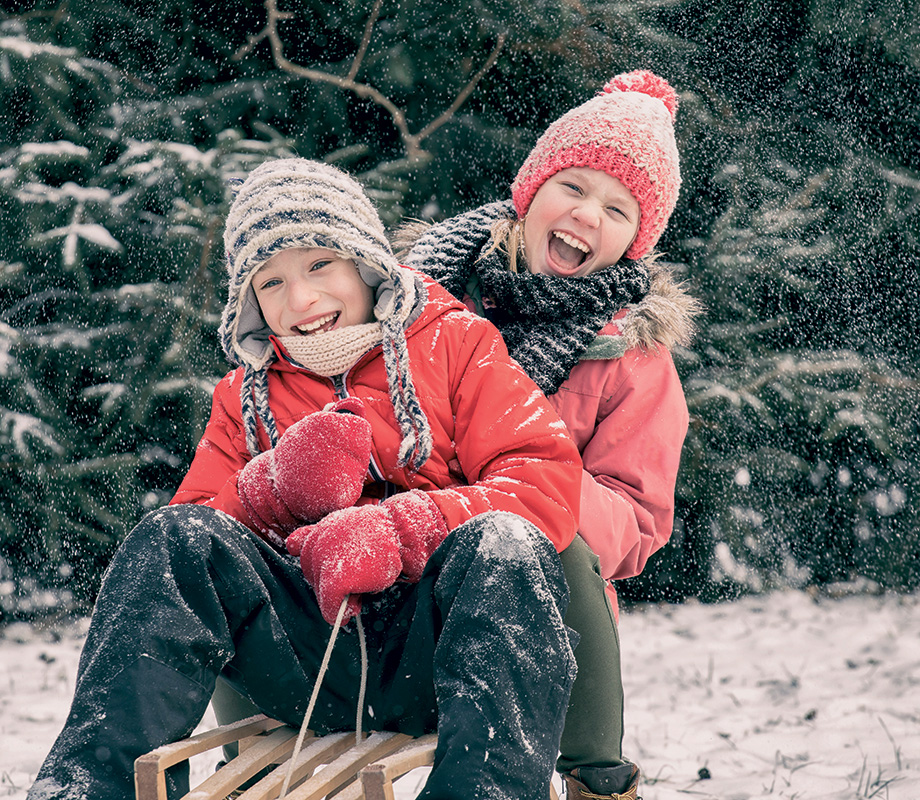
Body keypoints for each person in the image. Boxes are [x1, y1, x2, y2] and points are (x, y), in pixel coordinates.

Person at [27, 158, 585, 800]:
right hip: (304, 656)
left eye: (320, 264)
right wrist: (272, 494)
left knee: (507, 547)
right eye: (270, 283)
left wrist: (406, 526)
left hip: (436, 654)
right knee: (171, 536)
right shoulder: (244, 397)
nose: (301, 301)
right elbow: (196, 536)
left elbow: (541, 479)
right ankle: (87, 786)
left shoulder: (455, 343)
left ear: (366, 262)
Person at [398, 69, 700, 800]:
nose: (587, 216)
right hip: (407, 574)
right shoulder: (422, 292)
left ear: (636, 240)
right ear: (532, 191)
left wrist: (523, 474)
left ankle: (595, 777)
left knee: (541, 530)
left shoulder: (632, 354)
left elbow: (634, 521)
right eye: (574, 187)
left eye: (617, 208)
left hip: (537, 601)